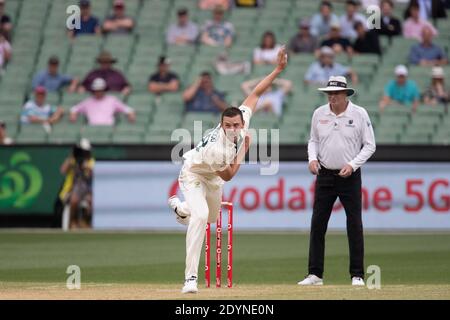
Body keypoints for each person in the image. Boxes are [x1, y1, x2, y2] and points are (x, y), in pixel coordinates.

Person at [168, 47, 288, 294]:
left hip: (212, 178)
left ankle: (181, 209)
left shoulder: (242, 118)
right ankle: (190, 279)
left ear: (242, 122)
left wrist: (277, 69)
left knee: (211, 218)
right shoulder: (217, 148)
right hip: (194, 172)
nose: (232, 129)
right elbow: (229, 176)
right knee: (201, 217)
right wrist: (245, 149)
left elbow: (256, 92)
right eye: (227, 126)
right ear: (222, 125)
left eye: (236, 125)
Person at [298, 75, 376, 287]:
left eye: (335, 93)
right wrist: (312, 159)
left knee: (354, 224)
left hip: (349, 176)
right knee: (318, 224)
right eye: (329, 93)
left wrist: (352, 165)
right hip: (324, 175)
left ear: (345, 94)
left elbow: (370, 145)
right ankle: (315, 274)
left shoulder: (359, 114)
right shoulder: (319, 114)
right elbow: (313, 141)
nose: (331, 97)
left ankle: (357, 275)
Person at [59, 139, 95, 229]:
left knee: (91, 201)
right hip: (71, 189)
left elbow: (93, 174)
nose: (86, 153)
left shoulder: (90, 161)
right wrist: (71, 159)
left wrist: (87, 168)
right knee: (74, 200)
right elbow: (63, 170)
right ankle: (72, 222)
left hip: (86, 190)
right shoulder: (72, 160)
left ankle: (86, 222)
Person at [70, 78, 135, 126]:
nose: (98, 92)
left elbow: (128, 109)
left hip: (109, 128)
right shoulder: (88, 102)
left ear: (104, 90)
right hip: (92, 128)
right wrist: (73, 115)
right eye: (97, 90)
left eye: (100, 90)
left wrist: (130, 115)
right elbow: (74, 109)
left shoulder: (112, 100)